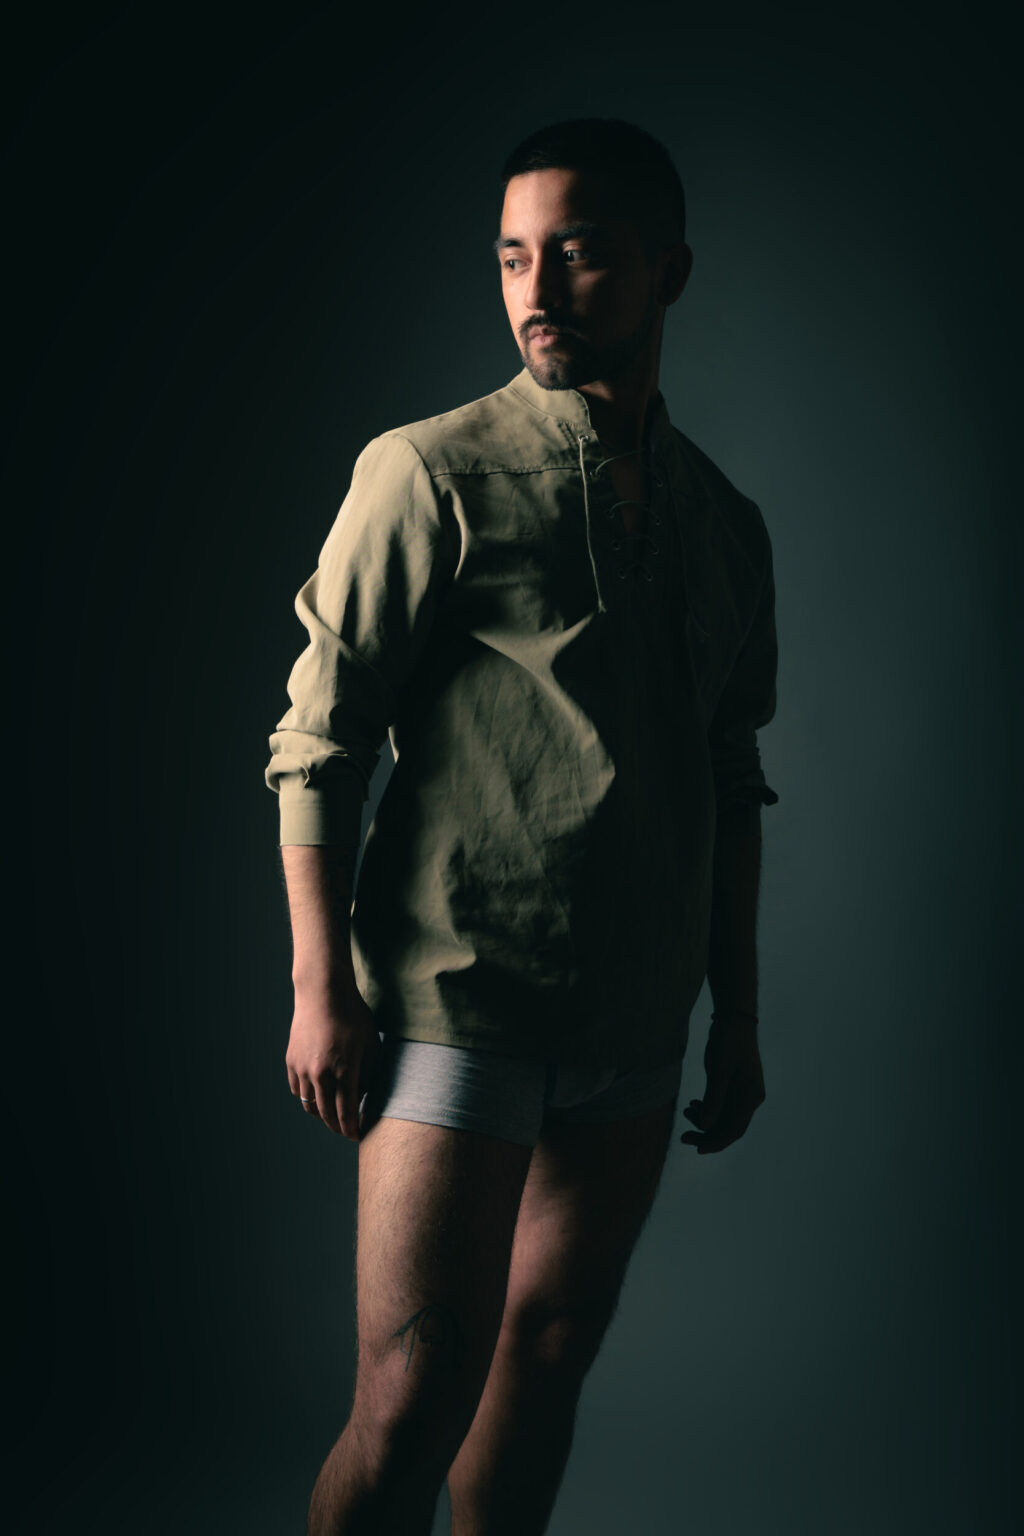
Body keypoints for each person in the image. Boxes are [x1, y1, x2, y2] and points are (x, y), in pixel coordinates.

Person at [265, 117, 780, 1536]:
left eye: (580, 253)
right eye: (511, 257)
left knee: (543, 1367)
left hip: (636, 1020)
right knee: (412, 1396)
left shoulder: (726, 523)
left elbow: (733, 772)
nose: (536, 290)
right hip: (458, 1004)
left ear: (669, 271)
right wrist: (319, 986)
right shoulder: (429, 472)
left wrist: (736, 1014)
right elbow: (318, 741)